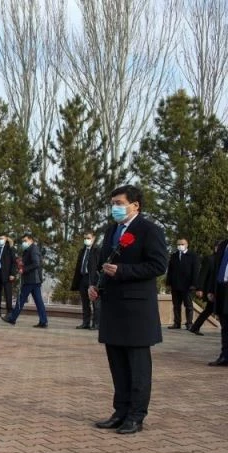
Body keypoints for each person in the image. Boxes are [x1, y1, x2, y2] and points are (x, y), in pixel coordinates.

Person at [89, 185, 167, 434]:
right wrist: (96, 287)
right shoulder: (112, 230)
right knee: (118, 365)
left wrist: (124, 271)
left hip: (137, 310)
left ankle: (136, 416)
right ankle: (120, 411)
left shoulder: (149, 230)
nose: (115, 207)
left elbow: (158, 265)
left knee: (137, 367)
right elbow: (104, 263)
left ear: (135, 205)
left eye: (120, 203)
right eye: (113, 203)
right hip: (113, 307)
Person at [2, 233, 48, 328]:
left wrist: (24, 269)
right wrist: (21, 263)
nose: (23, 243)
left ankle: (12, 318)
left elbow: (36, 263)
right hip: (34, 280)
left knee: (21, 299)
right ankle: (43, 321)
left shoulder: (33, 249)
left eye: (25, 241)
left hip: (31, 279)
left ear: (31, 240)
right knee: (38, 302)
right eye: (23, 241)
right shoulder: (28, 249)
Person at [165, 238, 199, 330]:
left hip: (187, 286)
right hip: (175, 285)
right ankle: (177, 323)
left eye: (182, 244)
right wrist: (168, 283)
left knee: (188, 305)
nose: (180, 246)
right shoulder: (174, 256)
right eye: (178, 244)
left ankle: (189, 323)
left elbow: (195, 271)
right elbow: (170, 271)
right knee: (176, 305)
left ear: (187, 244)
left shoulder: (192, 256)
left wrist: (194, 284)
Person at [71, 231, 100, 330]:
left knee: (95, 302)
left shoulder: (97, 250)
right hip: (83, 278)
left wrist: (98, 279)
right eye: (85, 238)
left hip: (93, 279)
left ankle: (96, 324)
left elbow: (99, 266)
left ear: (93, 238)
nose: (86, 240)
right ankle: (85, 323)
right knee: (84, 302)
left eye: (88, 238)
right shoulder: (82, 251)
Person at [206, 236, 228, 366]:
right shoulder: (223, 245)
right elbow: (215, 269)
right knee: (225, 324)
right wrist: (211, 290)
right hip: (222, 288)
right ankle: (225, 356)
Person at [190, 241, 220, 336]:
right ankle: (195, 327)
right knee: (209, 310)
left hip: (221, 290)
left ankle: (195, 327)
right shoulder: (209, 259)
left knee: (210, 310)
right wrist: (200, 289)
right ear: (215, 248)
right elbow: (202, 275)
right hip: (212, 290)